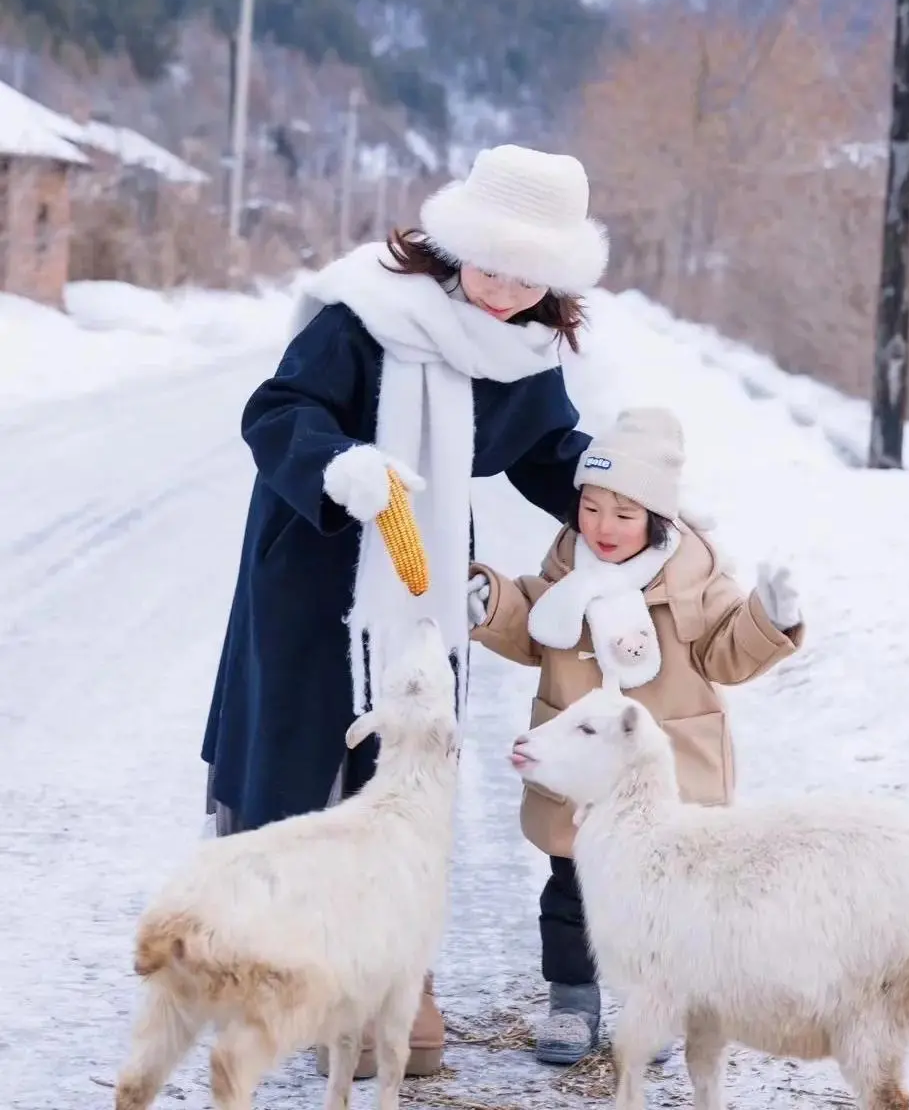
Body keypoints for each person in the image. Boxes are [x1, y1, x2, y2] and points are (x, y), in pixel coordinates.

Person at [200, 143, 609, 1078]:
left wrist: (616, 489)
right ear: (458, 240)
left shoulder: (525, 346)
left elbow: (546, 449)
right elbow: (277, 410)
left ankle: (395, 975)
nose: (506, 289)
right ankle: (289, 972)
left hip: (422, 578)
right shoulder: (366, 315)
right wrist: (339, 464)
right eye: (493, 262)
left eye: (531, 275)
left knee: (409, 764)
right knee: (305, 764)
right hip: (318, 560)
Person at [467, 407, 806, 1067]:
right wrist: (494, 603)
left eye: (622, 515)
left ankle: (651, 1004)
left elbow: (725, 654)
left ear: (656, 518)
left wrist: (772, 616)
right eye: (590, 509)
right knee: (571, 884)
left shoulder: (694, 575)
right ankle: (572, 1000)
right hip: (580, 768)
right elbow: (535, 625)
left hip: (664, 769)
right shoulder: (568, 564)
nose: (601, 528)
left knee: (660, 899)